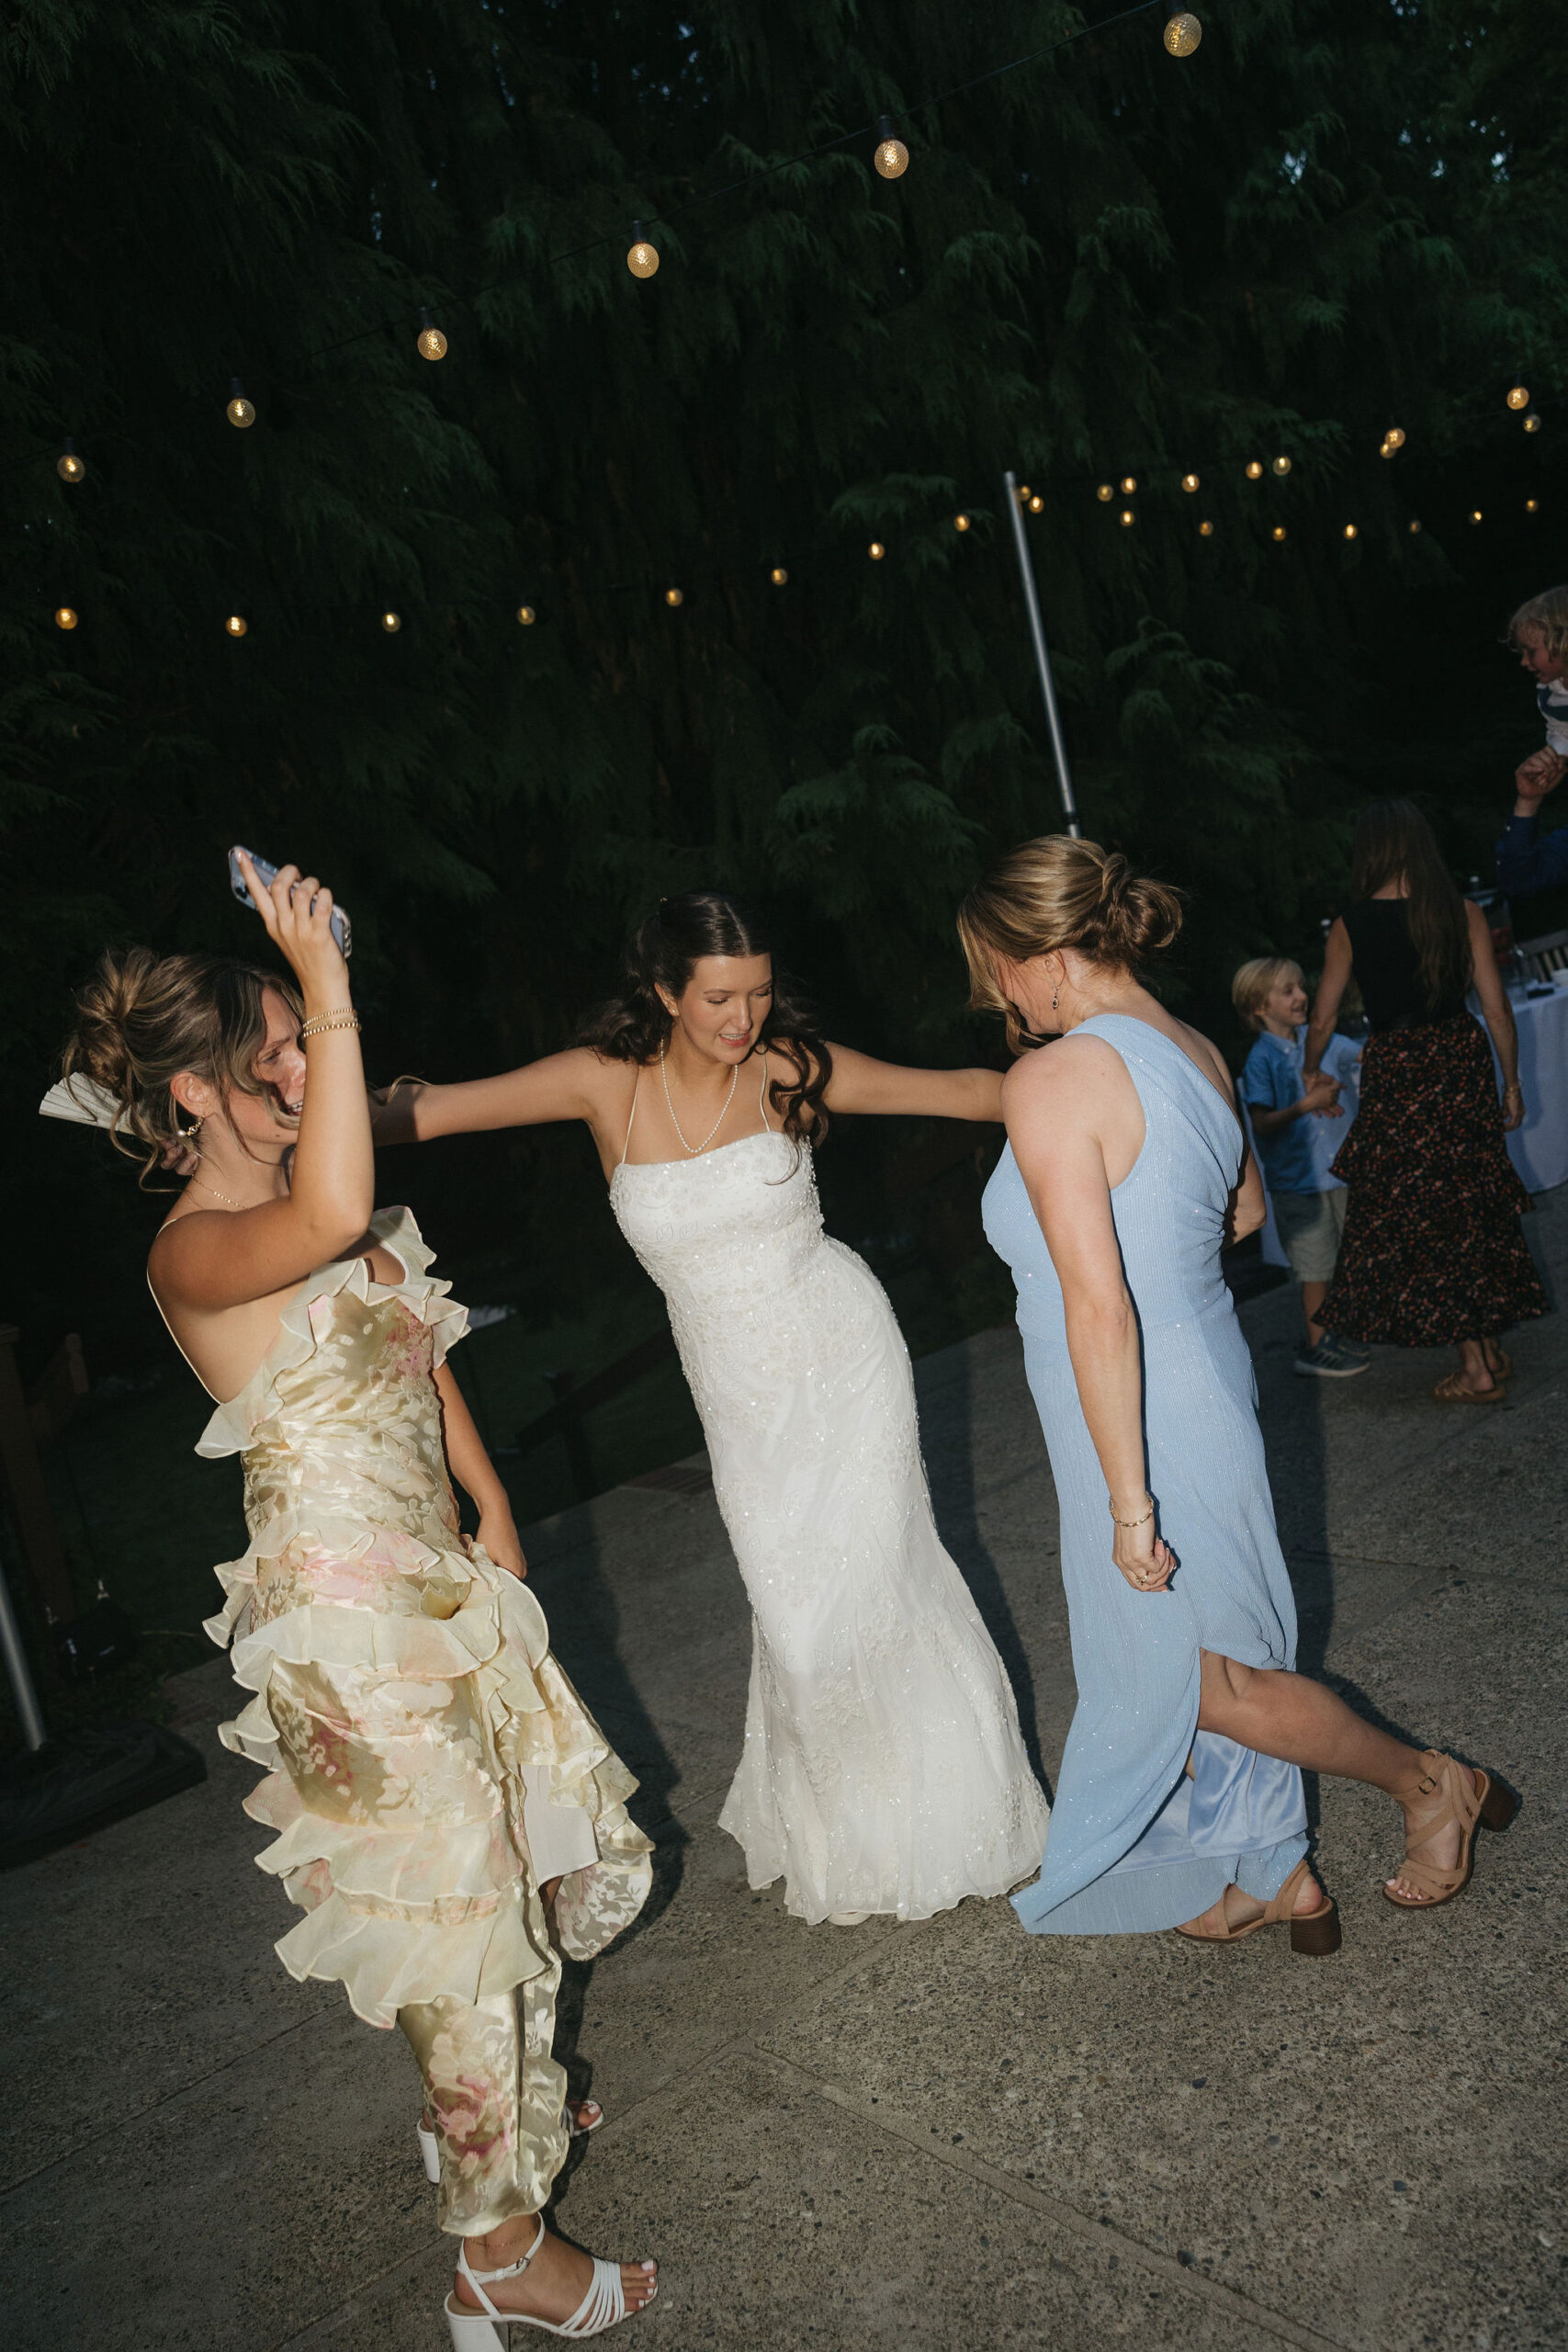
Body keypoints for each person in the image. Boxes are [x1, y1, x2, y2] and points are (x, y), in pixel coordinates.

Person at [46, 858, 658, 2346]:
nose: (305, 1072)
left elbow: (418, 1343)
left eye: (300, 1050)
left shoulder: (338, 1220)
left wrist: (495, 1510)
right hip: (341, 1632)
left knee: (501, 1883)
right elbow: (330, 1213)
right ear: (189, 1097)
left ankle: (505, 2141)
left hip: (437, 1591)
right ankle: (498, 2253)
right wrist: (323, 975)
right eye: (276, 1057)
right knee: (449, 1934)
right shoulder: (197, 1250)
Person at [374, 890, 1049, 1928]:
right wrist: (288, 1113)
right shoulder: (604, 1084)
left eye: (761, 991)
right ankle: (849, 1823)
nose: (744, 1017)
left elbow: (960, 1089)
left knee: (876, 1585)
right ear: (664, 993)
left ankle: (952, 1822)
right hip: (735, 1393)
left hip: (842, 1353)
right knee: (796, 1611)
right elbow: (426, 1110)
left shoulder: (786, 1065)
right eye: (721, 996)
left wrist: (1110, 1073)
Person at [962, 832, 1517, 1948]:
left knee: (1204, 1680)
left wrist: (1131, 1504)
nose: (991, 992)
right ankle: (1273, 1869)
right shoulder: (1191, 1046)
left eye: (994, 967)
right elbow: (1247, 1217)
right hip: (1195, 1381)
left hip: (1135, 1411)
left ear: (1044, 954)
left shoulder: (1055, 1076)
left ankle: (1426, 1782)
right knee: (1212, 1659)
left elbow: (1095, 1307)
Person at [1306, 800, 1545, 1403]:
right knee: (1466, 1199)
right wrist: (1509, 1082)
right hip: (1459, 1057)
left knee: (1427, 1214)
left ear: (1370, 851)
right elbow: (1494, 1008)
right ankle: (1486, 1346)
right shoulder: (1459, 910)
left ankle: (1475, 1369)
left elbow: (1324, 1015)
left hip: (1401, 1068)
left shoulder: (1350, 925)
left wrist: (1310, 1068)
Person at [1232, 955, 1367, 1378]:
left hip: (1341, 1172)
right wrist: (1308, 1104)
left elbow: (1362, 1056)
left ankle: (1339, 1329)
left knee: (1345, 1256)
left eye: (1301, 987)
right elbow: (1260, 1122)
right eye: (1288, 991)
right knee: (1315, 1267)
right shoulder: (1262, 1061)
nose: (1302, 996)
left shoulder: (1320, 1038)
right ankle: (1316, 1347)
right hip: (1300, 1183)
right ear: (1259, 1006)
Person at [1495, 583, 1568, 898]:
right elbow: (1519, 878)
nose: (1524, 661)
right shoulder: (1551, 695)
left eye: (1530, 651)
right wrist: (1554, 760)